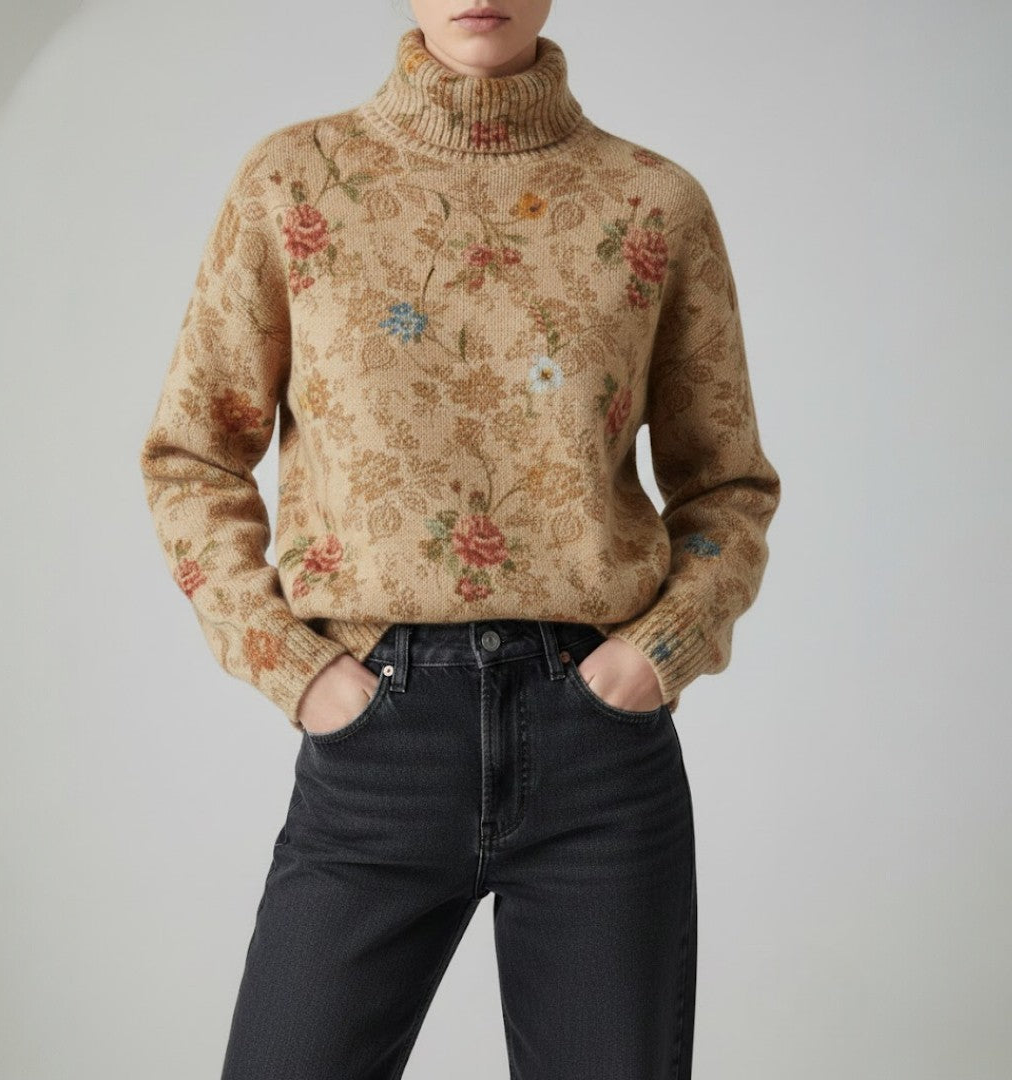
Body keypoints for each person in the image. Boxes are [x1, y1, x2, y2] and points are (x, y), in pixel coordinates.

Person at [138, 2, 781, 1076]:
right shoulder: (293, 183)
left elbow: (728, 485)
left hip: (598, 755)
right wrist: (296, 670)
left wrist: (653, 656)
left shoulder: (653, 202)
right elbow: (191, 458)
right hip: (376, 747)